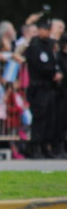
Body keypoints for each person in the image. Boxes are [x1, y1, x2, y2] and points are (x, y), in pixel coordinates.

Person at [25, 20, 63, 158]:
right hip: (39, 87)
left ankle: (46, 146)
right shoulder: (35, 46)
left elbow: (55, 61)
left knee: (50, 118)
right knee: (39, 118)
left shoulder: (50, 45)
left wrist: (57, 72)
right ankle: (35, 147)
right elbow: (39, 65)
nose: (46, 32)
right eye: (44, 29)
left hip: (50, 87)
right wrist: (53, 73)